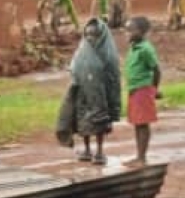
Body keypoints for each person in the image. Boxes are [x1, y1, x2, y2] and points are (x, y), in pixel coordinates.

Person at [57, 18, 121, 165]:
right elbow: (73, 68)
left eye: (94, 34)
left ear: (102, 35)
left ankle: (99, 151)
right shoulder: (82, 52)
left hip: (101, 97)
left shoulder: (108, 54)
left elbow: (113, 77)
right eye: (87, 34)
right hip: (83, 95)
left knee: (99, 124)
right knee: (84, 124)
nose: (90, 38)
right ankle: (86, 150)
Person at [123, 16, 161, 166]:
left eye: (131, 30)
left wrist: (153, 89)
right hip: (134, 90)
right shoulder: (134, 47)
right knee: (138, 123)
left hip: (143, 90)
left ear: (142, 32)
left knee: (143, 123)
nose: (127, 33)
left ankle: (142, 158)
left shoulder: (145, 49)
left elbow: (156, 70)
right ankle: (139, 156)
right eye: (126, 30)